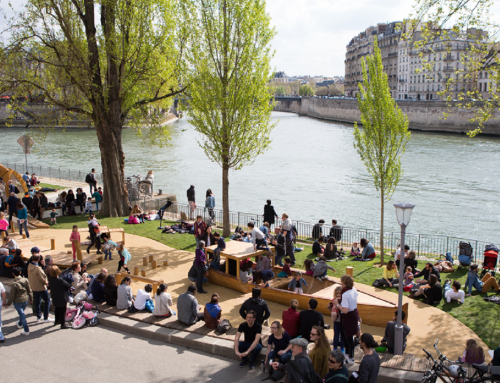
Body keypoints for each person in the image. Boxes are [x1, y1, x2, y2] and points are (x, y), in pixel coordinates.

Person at [332, 274, 359, 364]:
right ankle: (348, 355)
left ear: (345, 284)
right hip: (353, 314)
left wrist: (337, 304)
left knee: (348, 338)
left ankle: (350, 358)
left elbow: (345, 310)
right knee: (346, 337)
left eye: (342, 282)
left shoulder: (346, 294)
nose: (341, 284)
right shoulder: (353, 289)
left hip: (348, 317)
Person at [5, 267, 33, 335]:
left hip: (17, 302)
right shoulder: (25, 280)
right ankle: (20, 324)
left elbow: (12, 296)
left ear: (13, 274)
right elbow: (29, 290)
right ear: (20, 272)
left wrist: (8, 304)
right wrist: (31, 298)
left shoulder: (14, 284)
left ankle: (26, 330)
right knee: (22, 313)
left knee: (22, 314)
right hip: (25, 299)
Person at [28, 254, 53, 323]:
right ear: (39, 260)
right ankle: (46, 317)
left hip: (34, 287)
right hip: (41, 287)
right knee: (47, 301)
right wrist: (46, 283)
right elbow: (43, 277)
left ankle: (39, 316)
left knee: (37, 301)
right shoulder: (37, 268)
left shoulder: (29, 266)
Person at [329, 286, 345, 353]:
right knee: (336, 334)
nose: (338, 295)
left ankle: (342, 347)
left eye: (340, 293)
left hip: (342, 319)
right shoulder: (334, 300)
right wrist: (330, 306)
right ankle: (335, 347)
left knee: (342, 334)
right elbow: (331, 308)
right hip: (336, 320)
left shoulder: (343, 300)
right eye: (337, 293)